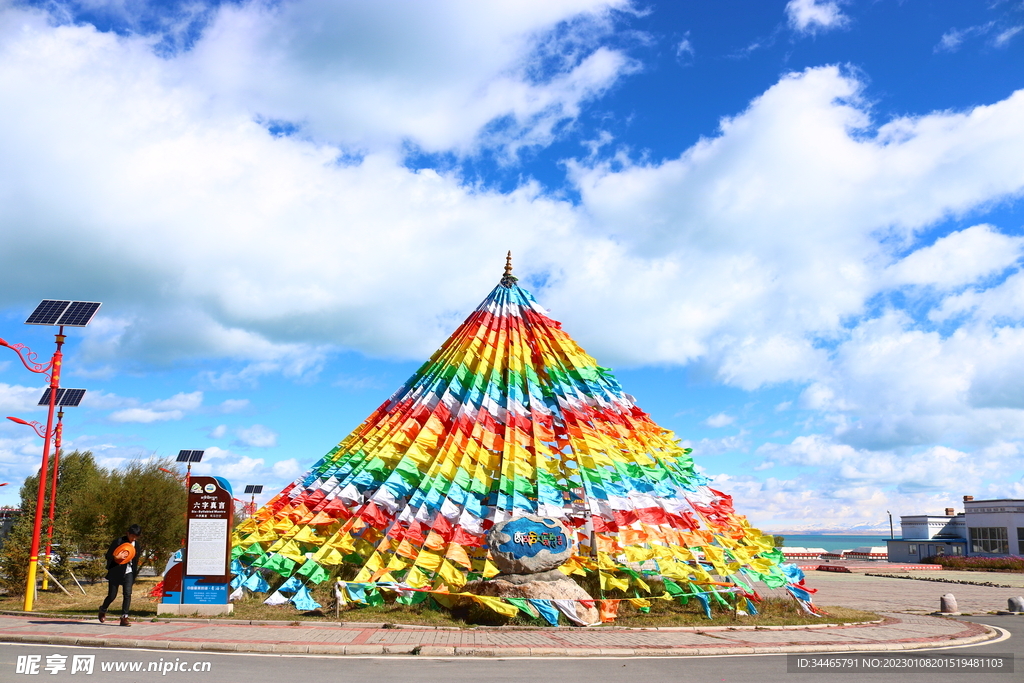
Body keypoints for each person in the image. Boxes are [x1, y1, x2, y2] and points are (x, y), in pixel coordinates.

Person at [99, 524, 141, 627]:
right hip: (116, 572)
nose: (133, 538)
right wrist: (116, 557)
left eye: (136, 537)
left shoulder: (137, 545)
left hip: (129, 572)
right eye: (132, 536)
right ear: (128, 533)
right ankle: (103, 609)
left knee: (127, 594)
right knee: (112, 595)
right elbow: (108, 555)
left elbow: (135, 560)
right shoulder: (118, 541)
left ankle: (124, 617)